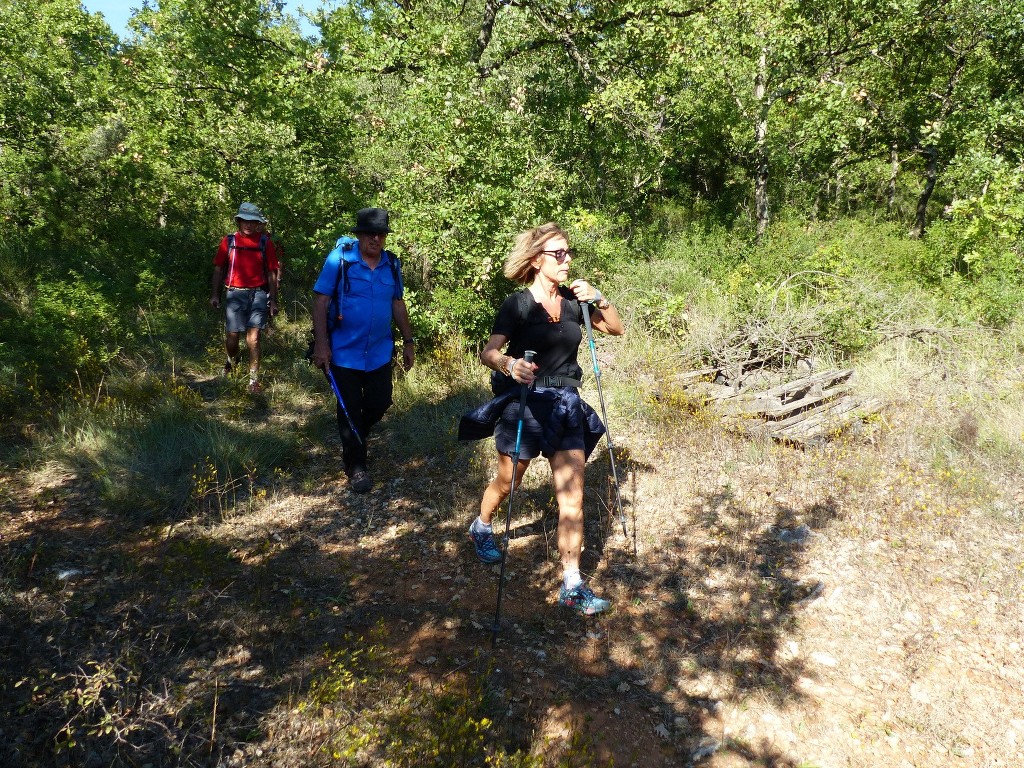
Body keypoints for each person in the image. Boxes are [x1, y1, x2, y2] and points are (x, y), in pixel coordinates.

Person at [459, 223, 624, 615]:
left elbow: (616, 328)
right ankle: (482, 526)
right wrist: (509, 364)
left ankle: (572, 583)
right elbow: (489, 352)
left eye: (568, 252)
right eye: (558, 254)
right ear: (536, 260)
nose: (566, 260)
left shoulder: (573, 301)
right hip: (526, 403)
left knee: (572, 498)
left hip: (566, 403)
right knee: (508, 480)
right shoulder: (517, 304)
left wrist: (599, 298)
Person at [311, 207, 415, 493]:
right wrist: (322, 345)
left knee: (380, 402)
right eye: (370, 233)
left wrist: (408, 341)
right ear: (359, 235)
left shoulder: (391, 264)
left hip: (379, 351)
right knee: (349, 411)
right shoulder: (340, 260)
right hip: (343, 352)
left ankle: (356, 439)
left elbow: (397, 304)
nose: (376, 239)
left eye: (381, 234)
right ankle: (356, 467)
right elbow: (320, 301)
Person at [209, 202, 281, 393]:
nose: (248, 225)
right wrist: (215, 295)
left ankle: (253, 380)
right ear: (239, 221)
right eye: (244, 221)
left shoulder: (265, 242)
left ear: (258, 223)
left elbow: (272, 272)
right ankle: (232, 360)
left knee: (254, 339)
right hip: (234, 293)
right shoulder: (229, 241)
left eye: (252, 221)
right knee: (232, 338)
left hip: (258, 293)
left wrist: (273, 300)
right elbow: (218, 268)